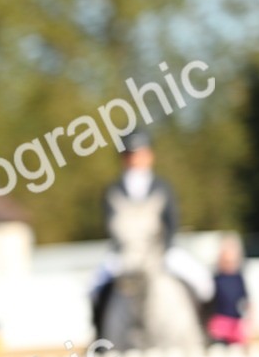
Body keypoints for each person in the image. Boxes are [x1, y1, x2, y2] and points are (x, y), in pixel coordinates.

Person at [89, 129, 213, 337]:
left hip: (162, 251)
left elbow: (172, 222)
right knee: (93, 288)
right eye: (131, 154)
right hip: (124, 253)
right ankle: (99, 337)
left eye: (140, 153)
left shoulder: (162, 187)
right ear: (124, 158)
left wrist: (163, 249)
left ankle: (206, 330)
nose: (136, 159)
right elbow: (110, 225)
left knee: (203, 282)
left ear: (149, 155)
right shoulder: (113, 191)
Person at [206, 235, 250, 345]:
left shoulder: (238, 279)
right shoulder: (216, 279)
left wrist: (250, 321)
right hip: (220, 324)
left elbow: (246, 301)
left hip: (236, 324)